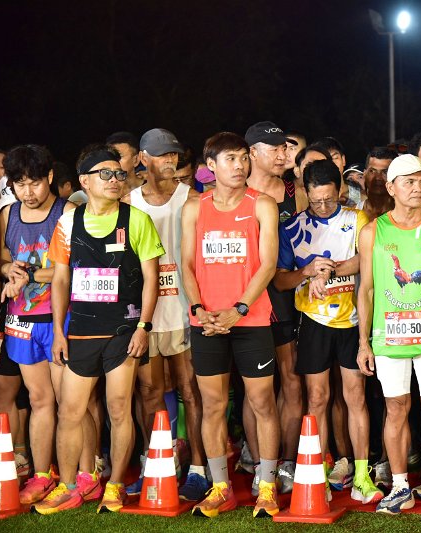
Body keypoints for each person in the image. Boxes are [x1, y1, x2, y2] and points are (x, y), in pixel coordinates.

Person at [32, 145, 163, 514]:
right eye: (105, 174)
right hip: (81, 331)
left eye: (119, 173)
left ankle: (115, 485)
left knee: (119, 408)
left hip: (123, 329)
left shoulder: (136, 220)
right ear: (84, 181)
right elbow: (60, 280)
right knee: (70, 411)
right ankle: (68, 486)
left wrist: (143, 327)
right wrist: (59, 332)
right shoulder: (67, 223)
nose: (115, 180)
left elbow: (151, 280)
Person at [181, 132, 281, 518]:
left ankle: (267, 485)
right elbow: (187, 264)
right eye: (230, 159)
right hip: (207, 321)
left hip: (251, 318)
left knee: (262, 402)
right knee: (213, 405)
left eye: (243, 158)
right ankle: (221, 487)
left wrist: (239, 309)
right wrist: (198, 308)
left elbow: (267, 265)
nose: (239, 166)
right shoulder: (195, 206)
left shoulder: (262, 204)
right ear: (211, 166)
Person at [357, 154, 421, 517]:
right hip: (389, 338)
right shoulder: (372, 231)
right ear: (391, 188)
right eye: (409, 182)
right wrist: (363, 342)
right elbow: (366, 289)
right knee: (396, 408)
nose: (418, 188)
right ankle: (401, 487)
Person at [275, 159, 382, 503]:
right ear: (305, 192)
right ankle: (317, 474)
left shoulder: (357, 219)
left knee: (355, 397)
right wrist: (307, 272)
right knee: (317, 398)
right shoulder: (292, 227)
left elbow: (367, 260)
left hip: (353, 321)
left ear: (340, 190)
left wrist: (329, 272)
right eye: (316, 200)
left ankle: (362, 475)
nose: (322, 206)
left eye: (329, 199)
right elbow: (280, 280)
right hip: (313, 322)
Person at [0, 145, 84, 506]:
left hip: (60, 317)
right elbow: (2, 256)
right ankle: (41, 474)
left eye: (34, 183)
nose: (28, 192)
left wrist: (30, 274)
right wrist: (8, 268)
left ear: (50, 177)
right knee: (38, 399)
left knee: (71, 402)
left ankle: (82, 475)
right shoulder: (8, 213)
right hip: (21, 318)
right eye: (19, 184)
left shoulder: (68, 212)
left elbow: (75, 268)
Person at [126, 128, 206, 502]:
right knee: (149, 392)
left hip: (185, 310)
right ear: (143, 159)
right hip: (146, 314)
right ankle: (153, 466)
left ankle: (199, 469)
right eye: (162, 155)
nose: (170, 160)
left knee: (192, 391)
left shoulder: (193, 198)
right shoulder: (127, 203)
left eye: (173, 154)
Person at [244, 121, 305, 493]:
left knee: (292, 380)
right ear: (252, 153)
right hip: (245, 300)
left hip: (285, 297)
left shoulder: (295, 192)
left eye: (286, 148)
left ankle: (287, 463)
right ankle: (258, 463)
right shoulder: (233, 192)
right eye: (275, 148)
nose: (284, 154)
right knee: (256, 389)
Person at [359, 147, 398, 220]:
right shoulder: (352, 214)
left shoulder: (405, 213)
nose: (378, 177)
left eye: (385, 172)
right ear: (364, 173)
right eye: (372, 171)